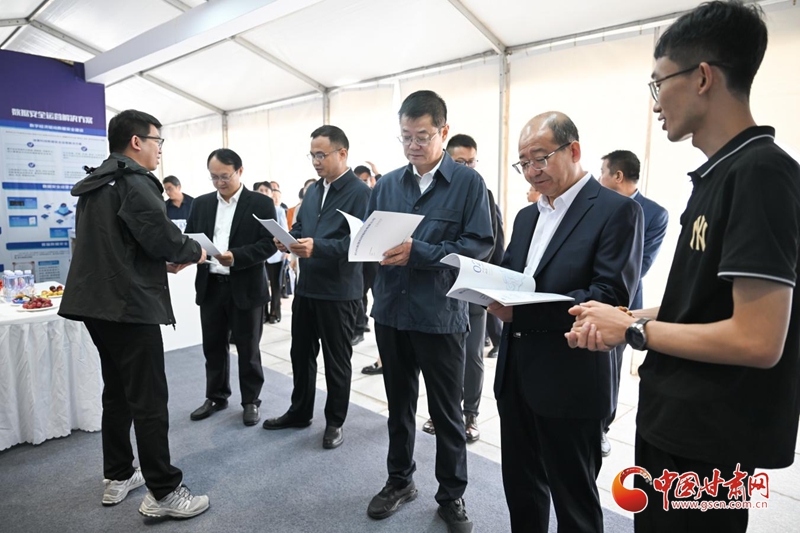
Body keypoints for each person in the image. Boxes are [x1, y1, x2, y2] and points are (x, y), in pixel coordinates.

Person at [567, 3, 800, 532]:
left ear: (702, 77)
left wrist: (633, 331)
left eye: (658, 83)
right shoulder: (717, 174)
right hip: (678, 421)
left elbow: (758, 339)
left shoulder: (761, 173)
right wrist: (626, 314)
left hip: (711, 438)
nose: (655, 103)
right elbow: (700, 305)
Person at [488, 111, 643, 533]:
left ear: (573, 150)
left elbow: (609, 298)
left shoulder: (616, 211)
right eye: (523, 162)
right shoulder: (527, 216)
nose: (531, 171)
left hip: (571, 378)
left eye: (540, 158)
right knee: (522, 490)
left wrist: (521, 310)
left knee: (575, 503)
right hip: (516, 374)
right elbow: (513, 277)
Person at [59, 109, 210, 519]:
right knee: (148, 398)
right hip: (128, 306)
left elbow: (120, 243)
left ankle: (119, 473)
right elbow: (163, 238)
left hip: (96, 304)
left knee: (118, 391)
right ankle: (164, 491)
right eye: (157, 141)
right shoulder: (135, 181)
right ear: (137, 141)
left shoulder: (98, 181)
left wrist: (159, 258)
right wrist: (195, 251)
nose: (160, 149)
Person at [365, 90, 493, 533]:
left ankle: (451, 495)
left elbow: (478, 246)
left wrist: (419, 252)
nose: (413, 145)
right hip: (391, 312)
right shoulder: (386, 185)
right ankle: (399, 481)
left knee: (446, 412)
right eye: (406, 137)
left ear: (443, 131)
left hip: (440, 315)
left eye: (422, 136)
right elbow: (370, 236)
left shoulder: (468, 184)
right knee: (398, 405)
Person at [262, 125, 370, 450]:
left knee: (337, 360)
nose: (316, 161)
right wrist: (288, 239)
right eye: (311, 155)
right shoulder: (312, 191)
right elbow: (301, 226)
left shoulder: (361, 193)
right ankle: (300, 411)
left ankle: (335, 421)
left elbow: (361, 244)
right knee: (300, 353)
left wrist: (317, 247)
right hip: (307, 287)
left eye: (321, 155)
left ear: (342, 153)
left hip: (339, 291)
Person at [185, 149, 277, 427]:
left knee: (248, 348)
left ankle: (251, 400)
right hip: (211, 285)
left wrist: (236, 257)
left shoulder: (260, 203)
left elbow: (268, 244)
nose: (219, 182)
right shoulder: (201, 203)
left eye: (224, 176)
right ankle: (216, 396)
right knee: (213, 346)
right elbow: (191, 239)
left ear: (240, 171)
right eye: (214, 177)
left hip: (246, 286)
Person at [421, 133, 499, 444]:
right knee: (441, 358)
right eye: (460, 162)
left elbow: (494, 245)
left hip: (473, 289)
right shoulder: (435, 192)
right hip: (439, 290)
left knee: (472, 356)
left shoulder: (482, 192)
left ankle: (470, 414)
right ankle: (442, 411)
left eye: (471, 162)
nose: (467, 167)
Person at [597, 149, 669, 457]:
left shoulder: (654, 213)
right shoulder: (597, 204)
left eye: (602, 171)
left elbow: (641, 265)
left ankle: (602, 428)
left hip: (624, 301)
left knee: (610, 369)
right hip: (591, 295)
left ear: (617, 175)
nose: (598, 177)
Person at [352, 163, 379, 347]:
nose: (363, 183)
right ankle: (360, 327)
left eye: (365, 180)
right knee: (359, 292)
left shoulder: (376, 195)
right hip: (360, 255)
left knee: (378, 293)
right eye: (359, 180)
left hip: (375, 255)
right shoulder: (354, 197)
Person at [254, 182, 287, 323]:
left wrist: (285, 251)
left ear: (271, 193)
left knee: (275, 285)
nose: (263, 193)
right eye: (260, 190)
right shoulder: (253, 210)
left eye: (265, 190)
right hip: (258, 255)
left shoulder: (278, 210)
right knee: (261, 285)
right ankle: (263, 314)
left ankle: (275, 313)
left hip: (275, 255)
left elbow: (284, 230)